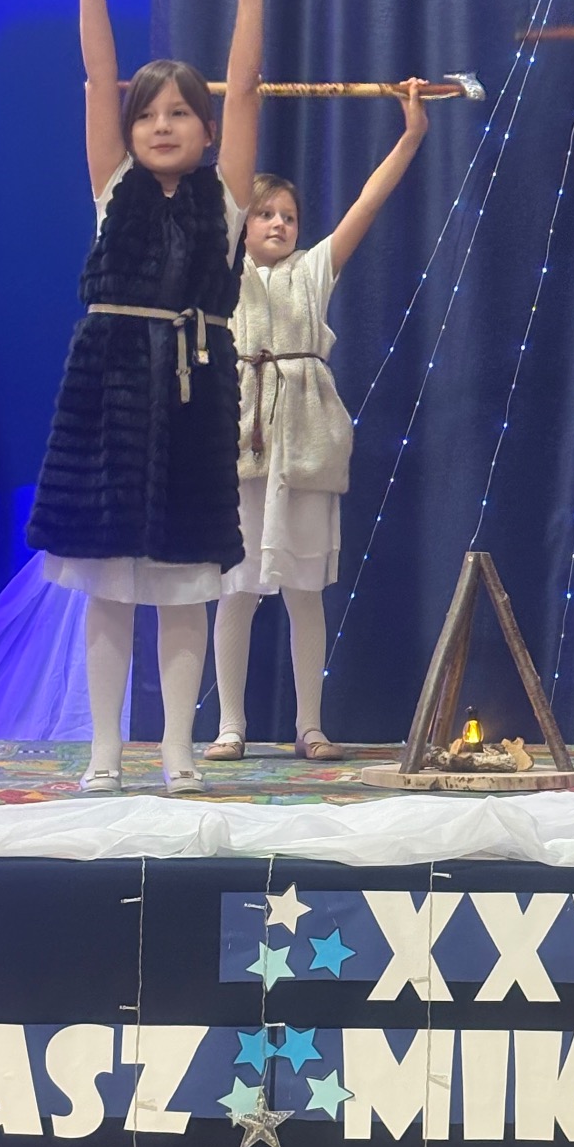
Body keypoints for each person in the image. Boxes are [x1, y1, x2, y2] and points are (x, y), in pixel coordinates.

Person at [27, 0, 265, 795]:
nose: (164, 126)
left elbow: (247, 89)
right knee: (108, 581)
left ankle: (176, 750)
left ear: (206, 129)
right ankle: (104, 751)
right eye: (150, 114)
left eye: (182, 114)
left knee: (187, 581)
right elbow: (99, 76)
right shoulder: (115, 187)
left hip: (196, 395)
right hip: (110, 386)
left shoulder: (226, 200)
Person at [204, 83, 429, 764]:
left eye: (289, 216)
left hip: (303, 447)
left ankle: (310, 723)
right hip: (240, 447)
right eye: (265, 213)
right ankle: (230, 724)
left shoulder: (313, 273)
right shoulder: (222, 274)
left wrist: (410, 137)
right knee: (236, 588)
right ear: (242, 223)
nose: (279, 224)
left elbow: (366, 205)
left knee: (306, 592)